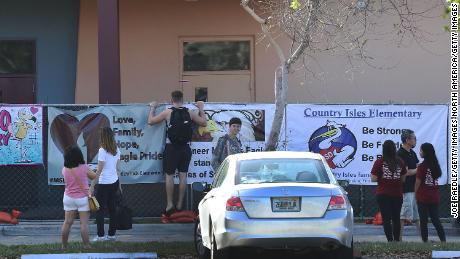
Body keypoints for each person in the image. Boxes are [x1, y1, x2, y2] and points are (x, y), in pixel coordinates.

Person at [148, 90, 206, 215]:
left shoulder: (167, 112)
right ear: (182, 100)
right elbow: (203, 122)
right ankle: (180, 204)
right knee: (183, 176)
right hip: (185, 148)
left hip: (171, 147)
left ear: (171, 100)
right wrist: (201, 108)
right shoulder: (189, 112)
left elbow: (151, 121)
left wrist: (152, 108)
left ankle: (170, 204)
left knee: (169, 176)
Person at [371, 140, 407, 242]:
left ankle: (390, 241)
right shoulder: (400, 162)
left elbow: (373, 178)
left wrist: (382, 177)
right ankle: (396, 240)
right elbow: (403, 179)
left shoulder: (379, 162)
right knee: (396, 218)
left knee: (386, 219)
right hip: (397, 194)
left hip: (383, 194)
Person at [61, 145, 96, 249]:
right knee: (83, 224)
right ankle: (86, 245)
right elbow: (94, 176)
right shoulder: (84, 167)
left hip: (68, 198)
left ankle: (64, 245)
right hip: (83, 198)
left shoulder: (64, 169)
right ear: (79, 156)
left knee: (67, 223)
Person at [90, 127, 121, 241]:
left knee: (100, 210)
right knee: (112, 209)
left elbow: (99, 170)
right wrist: (119, 185)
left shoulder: (102, 150)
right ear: (111, 136)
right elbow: (118, 169)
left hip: (104, 184)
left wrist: (92, 186)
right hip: (114, 183)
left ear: (103, 137)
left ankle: (101, 236)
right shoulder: (117, 149)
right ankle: (112, 235)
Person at [415, 143, 446, 242]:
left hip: (423, 197)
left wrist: (414, 193)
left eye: (421, 150)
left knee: (423, 221)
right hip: (434, 197)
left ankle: (425, 242)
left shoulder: (422, 166)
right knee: (435, 219)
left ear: (425, 152)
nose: (419, 152)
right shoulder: (435, 164)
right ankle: (443, 240)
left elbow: (418, 182)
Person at [397, 129, 420, 240]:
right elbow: (405, 173)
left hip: (413, 188)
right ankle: (399, 239)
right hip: (405, 189)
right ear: (407, 140)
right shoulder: (401, 153)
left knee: (416, 215)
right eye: (414, 138)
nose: (416, 140)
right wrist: (418, 169)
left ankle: (424, 238)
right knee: (403, 215)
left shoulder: (412, 152)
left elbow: (416, 166)